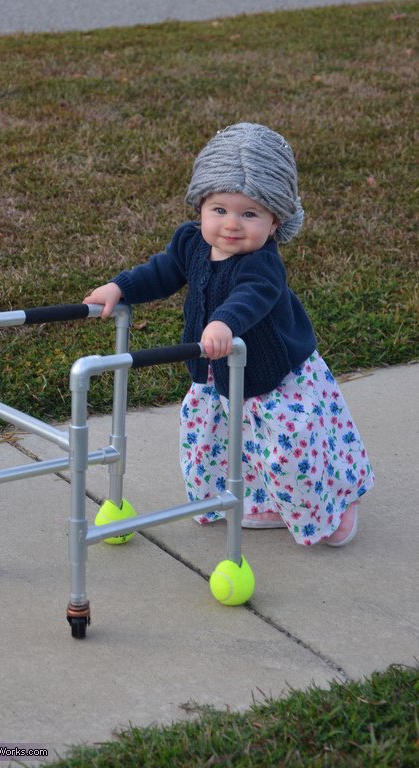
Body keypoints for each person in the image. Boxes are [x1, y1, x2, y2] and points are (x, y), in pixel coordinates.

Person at [83, 122, 374, 546]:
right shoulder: (189, 243)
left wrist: (223, 323)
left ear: (275, 221)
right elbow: (161, 272)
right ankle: (256, 498)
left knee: (290, 447)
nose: (232, 225)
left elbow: (250, 298)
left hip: (274, 377)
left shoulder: (263, 265)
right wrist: (121, 287)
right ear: (201, 205)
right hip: (217, 370)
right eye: (219, 209)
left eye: (249, 213)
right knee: (217, 440)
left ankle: (330, 506)